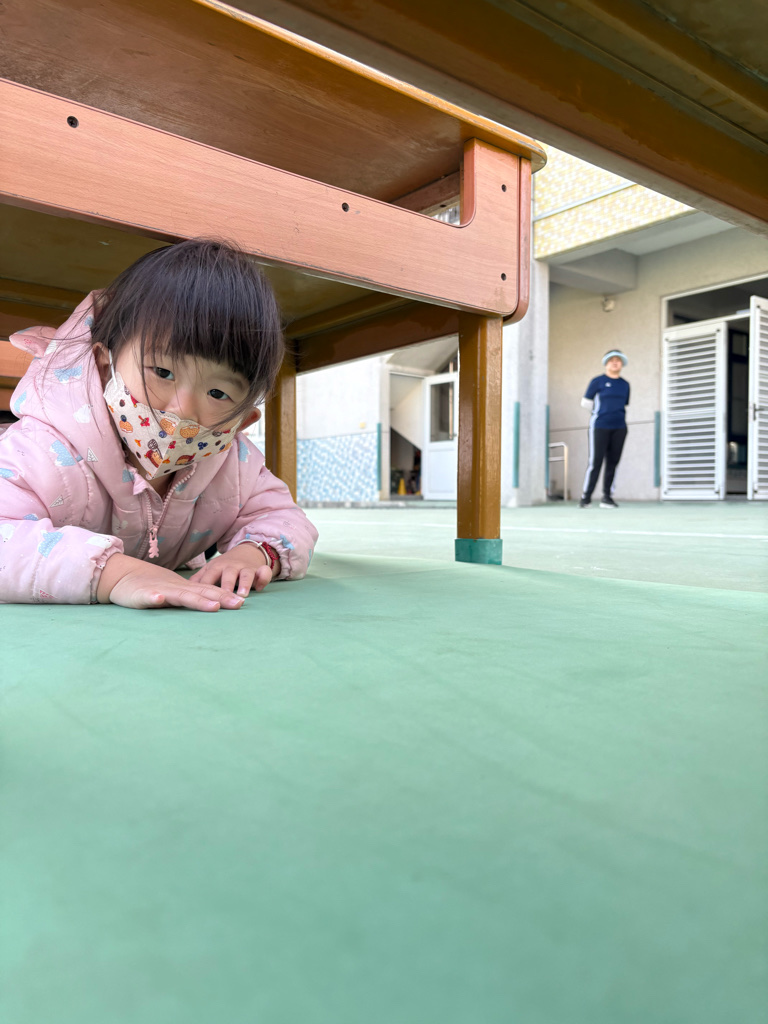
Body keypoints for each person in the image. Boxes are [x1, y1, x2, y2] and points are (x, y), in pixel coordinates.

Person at [0, 238, 318, 610]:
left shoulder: (236, 467)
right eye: (162, 372)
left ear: (240, 423)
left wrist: (253, 554)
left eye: (218, 393)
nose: (182, 410)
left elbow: (284, 518)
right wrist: (114, 574)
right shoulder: (41, 452)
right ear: (105, 365)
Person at [579, 349, 630, 509]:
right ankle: (586, 497)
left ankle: (607, 497)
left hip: (619, 427)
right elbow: (586, 402)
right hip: (600, 426)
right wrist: (598, 413)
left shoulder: (625, 385)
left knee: (613, 462)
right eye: (611, 360)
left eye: (618, 360)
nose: (615, 363)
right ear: (606, 363)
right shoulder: (598, 381)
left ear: (622, 364)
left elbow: (624, 404)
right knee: (595, 462)